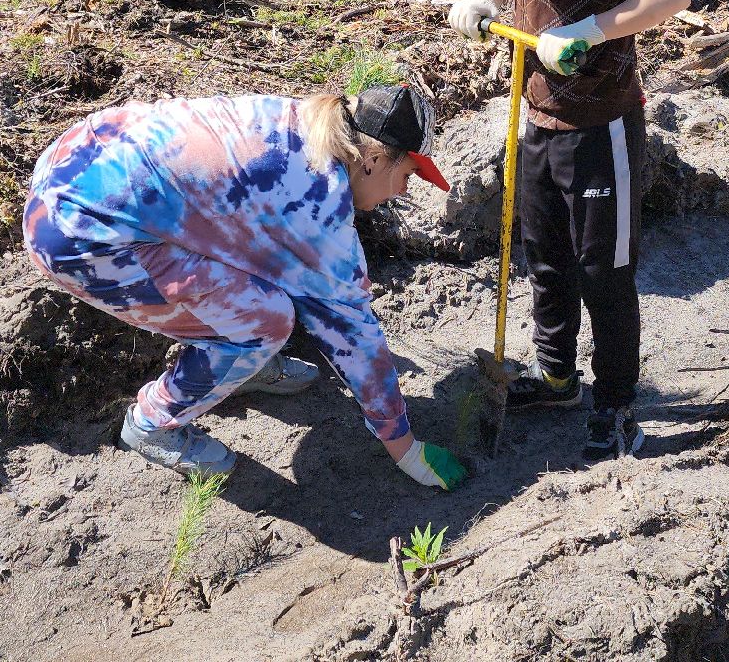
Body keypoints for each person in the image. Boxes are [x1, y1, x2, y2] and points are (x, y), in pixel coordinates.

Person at [23, 83, 468, 490]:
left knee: (259, 267)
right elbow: (352, 332)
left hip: (73, 161)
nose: (405, 191)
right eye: (409, 175)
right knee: (262, 322)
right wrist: (404, 445)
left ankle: (241, 364)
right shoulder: (315, 204)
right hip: (79, 234)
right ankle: (153, 422)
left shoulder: (301, 121)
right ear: (372, 159)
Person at [441, 0, 691, 460]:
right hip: (539, 120)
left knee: (602, 274)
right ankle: (556, 377)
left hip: (600, 129)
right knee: (545, 260)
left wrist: (592, 31)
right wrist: (488, 0)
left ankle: (615, 405)